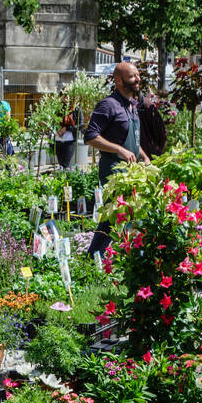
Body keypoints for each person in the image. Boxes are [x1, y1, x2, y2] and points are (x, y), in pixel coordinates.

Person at [84, 61, 149, 256]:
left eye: (137, 75)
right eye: (132, 77)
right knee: (116, 214)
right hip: (114, 170)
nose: (137, 79)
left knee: (122, 215)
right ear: (118, 80)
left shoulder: (132, 105)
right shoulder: (108, 105)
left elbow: (132, 140)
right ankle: (97, 257)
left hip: (131, 170)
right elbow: (90, 136)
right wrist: (119, 150)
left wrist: (144, 157)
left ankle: (103, 257)